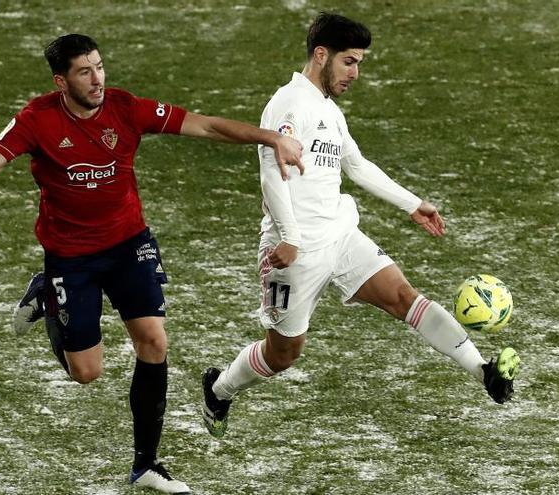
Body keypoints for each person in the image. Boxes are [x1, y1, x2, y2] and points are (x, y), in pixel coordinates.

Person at [0, 33, 302, 494]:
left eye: (99, 67)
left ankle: (146, 465)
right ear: (61, 81)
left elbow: (206, 126)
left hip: (128, 245)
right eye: (84, 71)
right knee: (87, 373)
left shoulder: (126, 108)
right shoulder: (36, 120)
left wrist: (269, 136)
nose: (97, 79)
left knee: (154, 342)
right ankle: (47, 294)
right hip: (71, 257)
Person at [200, 13, 521, 439]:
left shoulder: (329, 111)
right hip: (294, 250)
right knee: (283, 354)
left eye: (360, 63)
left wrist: (413, 204)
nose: (355, 73)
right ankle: (219, 389)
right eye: (349, 61)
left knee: (404, 297)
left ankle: (482, 371)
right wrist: (291, 239)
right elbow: (270, 171)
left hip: (339, 233)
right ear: (321, 55)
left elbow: (355, 164)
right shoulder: (290, 104)